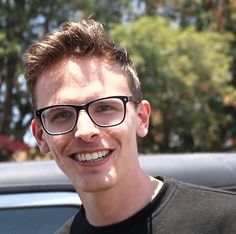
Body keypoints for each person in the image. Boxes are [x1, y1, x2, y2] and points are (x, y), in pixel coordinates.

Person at [23, 19, 236, 234]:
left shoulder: (226, 221)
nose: (86, 130)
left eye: (105, 108)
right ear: (40, 136)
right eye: (61, 114)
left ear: (141, 118)